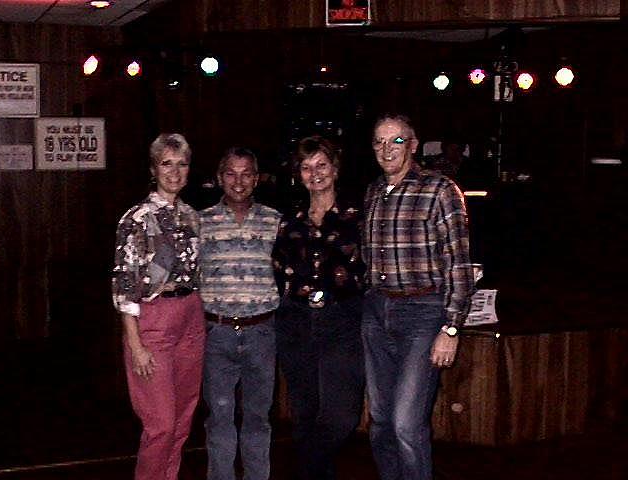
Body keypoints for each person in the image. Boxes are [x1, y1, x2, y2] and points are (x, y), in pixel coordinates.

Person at [362, 114, 474, 480]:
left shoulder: (440, 190)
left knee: (406, 424)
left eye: (396, 141)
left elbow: (458, 262)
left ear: (412, 145)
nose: (386, 149)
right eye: (379, 141)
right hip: (377, 311)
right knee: (380, 422)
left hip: (422, 313)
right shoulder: (373, 192)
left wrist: (451, 327)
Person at [112, 133, 205, 480]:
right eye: (166, 163)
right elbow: (125, 288)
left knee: (182, 419)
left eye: (182, 164)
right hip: (154, 320)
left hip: (191, 316)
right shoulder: (135, 219)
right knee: (161, 423)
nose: (174, 171)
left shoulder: (192, 217)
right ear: (153, 169)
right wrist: (135, 345)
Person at [272, 135, 365, 480]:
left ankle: (303, 471)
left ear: (335, 168)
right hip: (296, 322)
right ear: (299, 175)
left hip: (343, 320)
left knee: (342, 416)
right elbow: (278, 272)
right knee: (305, 414)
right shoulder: (290, 221)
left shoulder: (359, 216)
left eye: (321, 165)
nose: (315, 173)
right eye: (306, 167)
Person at [198, 147, 282, 480]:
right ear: (220, 178)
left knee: (258, 418)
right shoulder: (201, 222)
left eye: (246, 173)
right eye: (231, 173)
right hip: (217, 333)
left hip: (261, 332)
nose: (239, 181)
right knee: (219, 418)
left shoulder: (274, 221)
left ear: (256, 179)